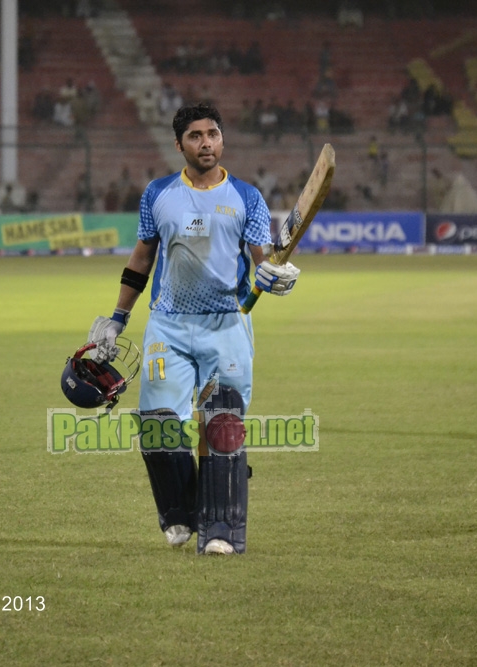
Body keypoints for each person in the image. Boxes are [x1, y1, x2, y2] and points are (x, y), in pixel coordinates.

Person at [85, 103, 300, 555]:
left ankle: (221, 531)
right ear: (179, 144)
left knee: (221, 425)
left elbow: (262, 260)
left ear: (222, 139)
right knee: (159, 428)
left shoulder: (247, 196)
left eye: (214, 134)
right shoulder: (158, 193)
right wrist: (118, 318)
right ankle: (181, 514)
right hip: (169, 325)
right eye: (196, 136)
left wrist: (274, 276)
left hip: (227, 325)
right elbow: (142, 257)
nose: (207, 143)